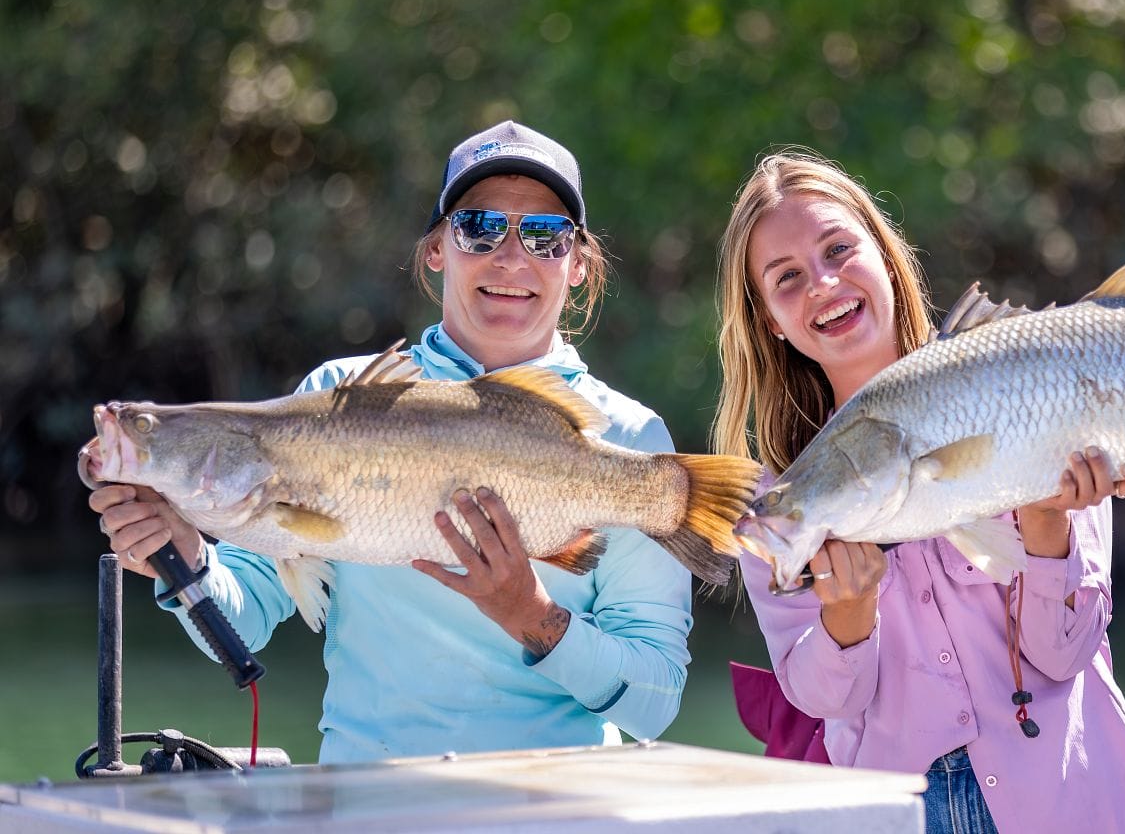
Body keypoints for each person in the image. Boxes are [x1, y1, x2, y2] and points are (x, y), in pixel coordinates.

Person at [90, 120, 696, 762]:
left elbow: (654, 702)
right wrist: (183, 556)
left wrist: (531, 616)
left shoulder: (630, 441)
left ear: (578, 264)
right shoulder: (336, 397)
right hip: (367, 801)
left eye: (545, 236)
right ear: (437, 248)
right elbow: (245, 618)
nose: (511, 256)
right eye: (479, 227)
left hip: (552, 803)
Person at [713, 150, 1125, 833]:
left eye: (840, 249)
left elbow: (1065, 655)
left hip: (1068, 802)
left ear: (886, 257)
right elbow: (821, 701)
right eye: (787, 278)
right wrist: (848, 612)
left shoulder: (1027, 397)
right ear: (770, 322)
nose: (822, 282)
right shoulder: (781, 501)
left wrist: (1049, 523)